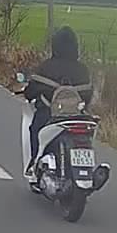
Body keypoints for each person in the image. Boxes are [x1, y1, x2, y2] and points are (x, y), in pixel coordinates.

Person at [23, 26, 92, 176]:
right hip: (77, 116)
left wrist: (29, 94)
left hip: (50, 115)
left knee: (35, 129)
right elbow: (88, 94)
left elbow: (31, 91)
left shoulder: (47, 67)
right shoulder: (82, 69)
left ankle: (34, 163)